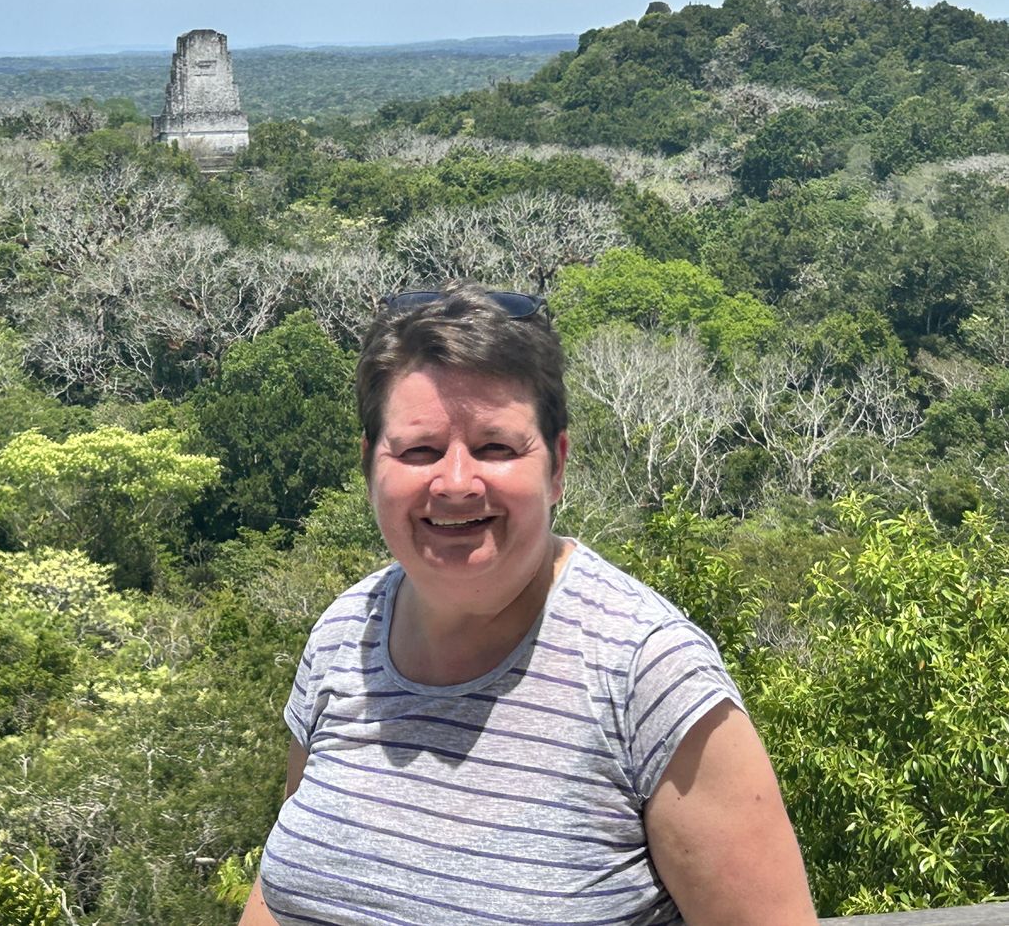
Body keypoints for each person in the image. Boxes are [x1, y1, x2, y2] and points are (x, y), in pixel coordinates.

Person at [239, 285, 816, 926]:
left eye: (496, 448)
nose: (456, 483)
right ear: (372, 467)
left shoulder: (647, 674)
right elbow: (282, 886)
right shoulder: (347, 628)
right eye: (420, 451)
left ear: (557, 467)